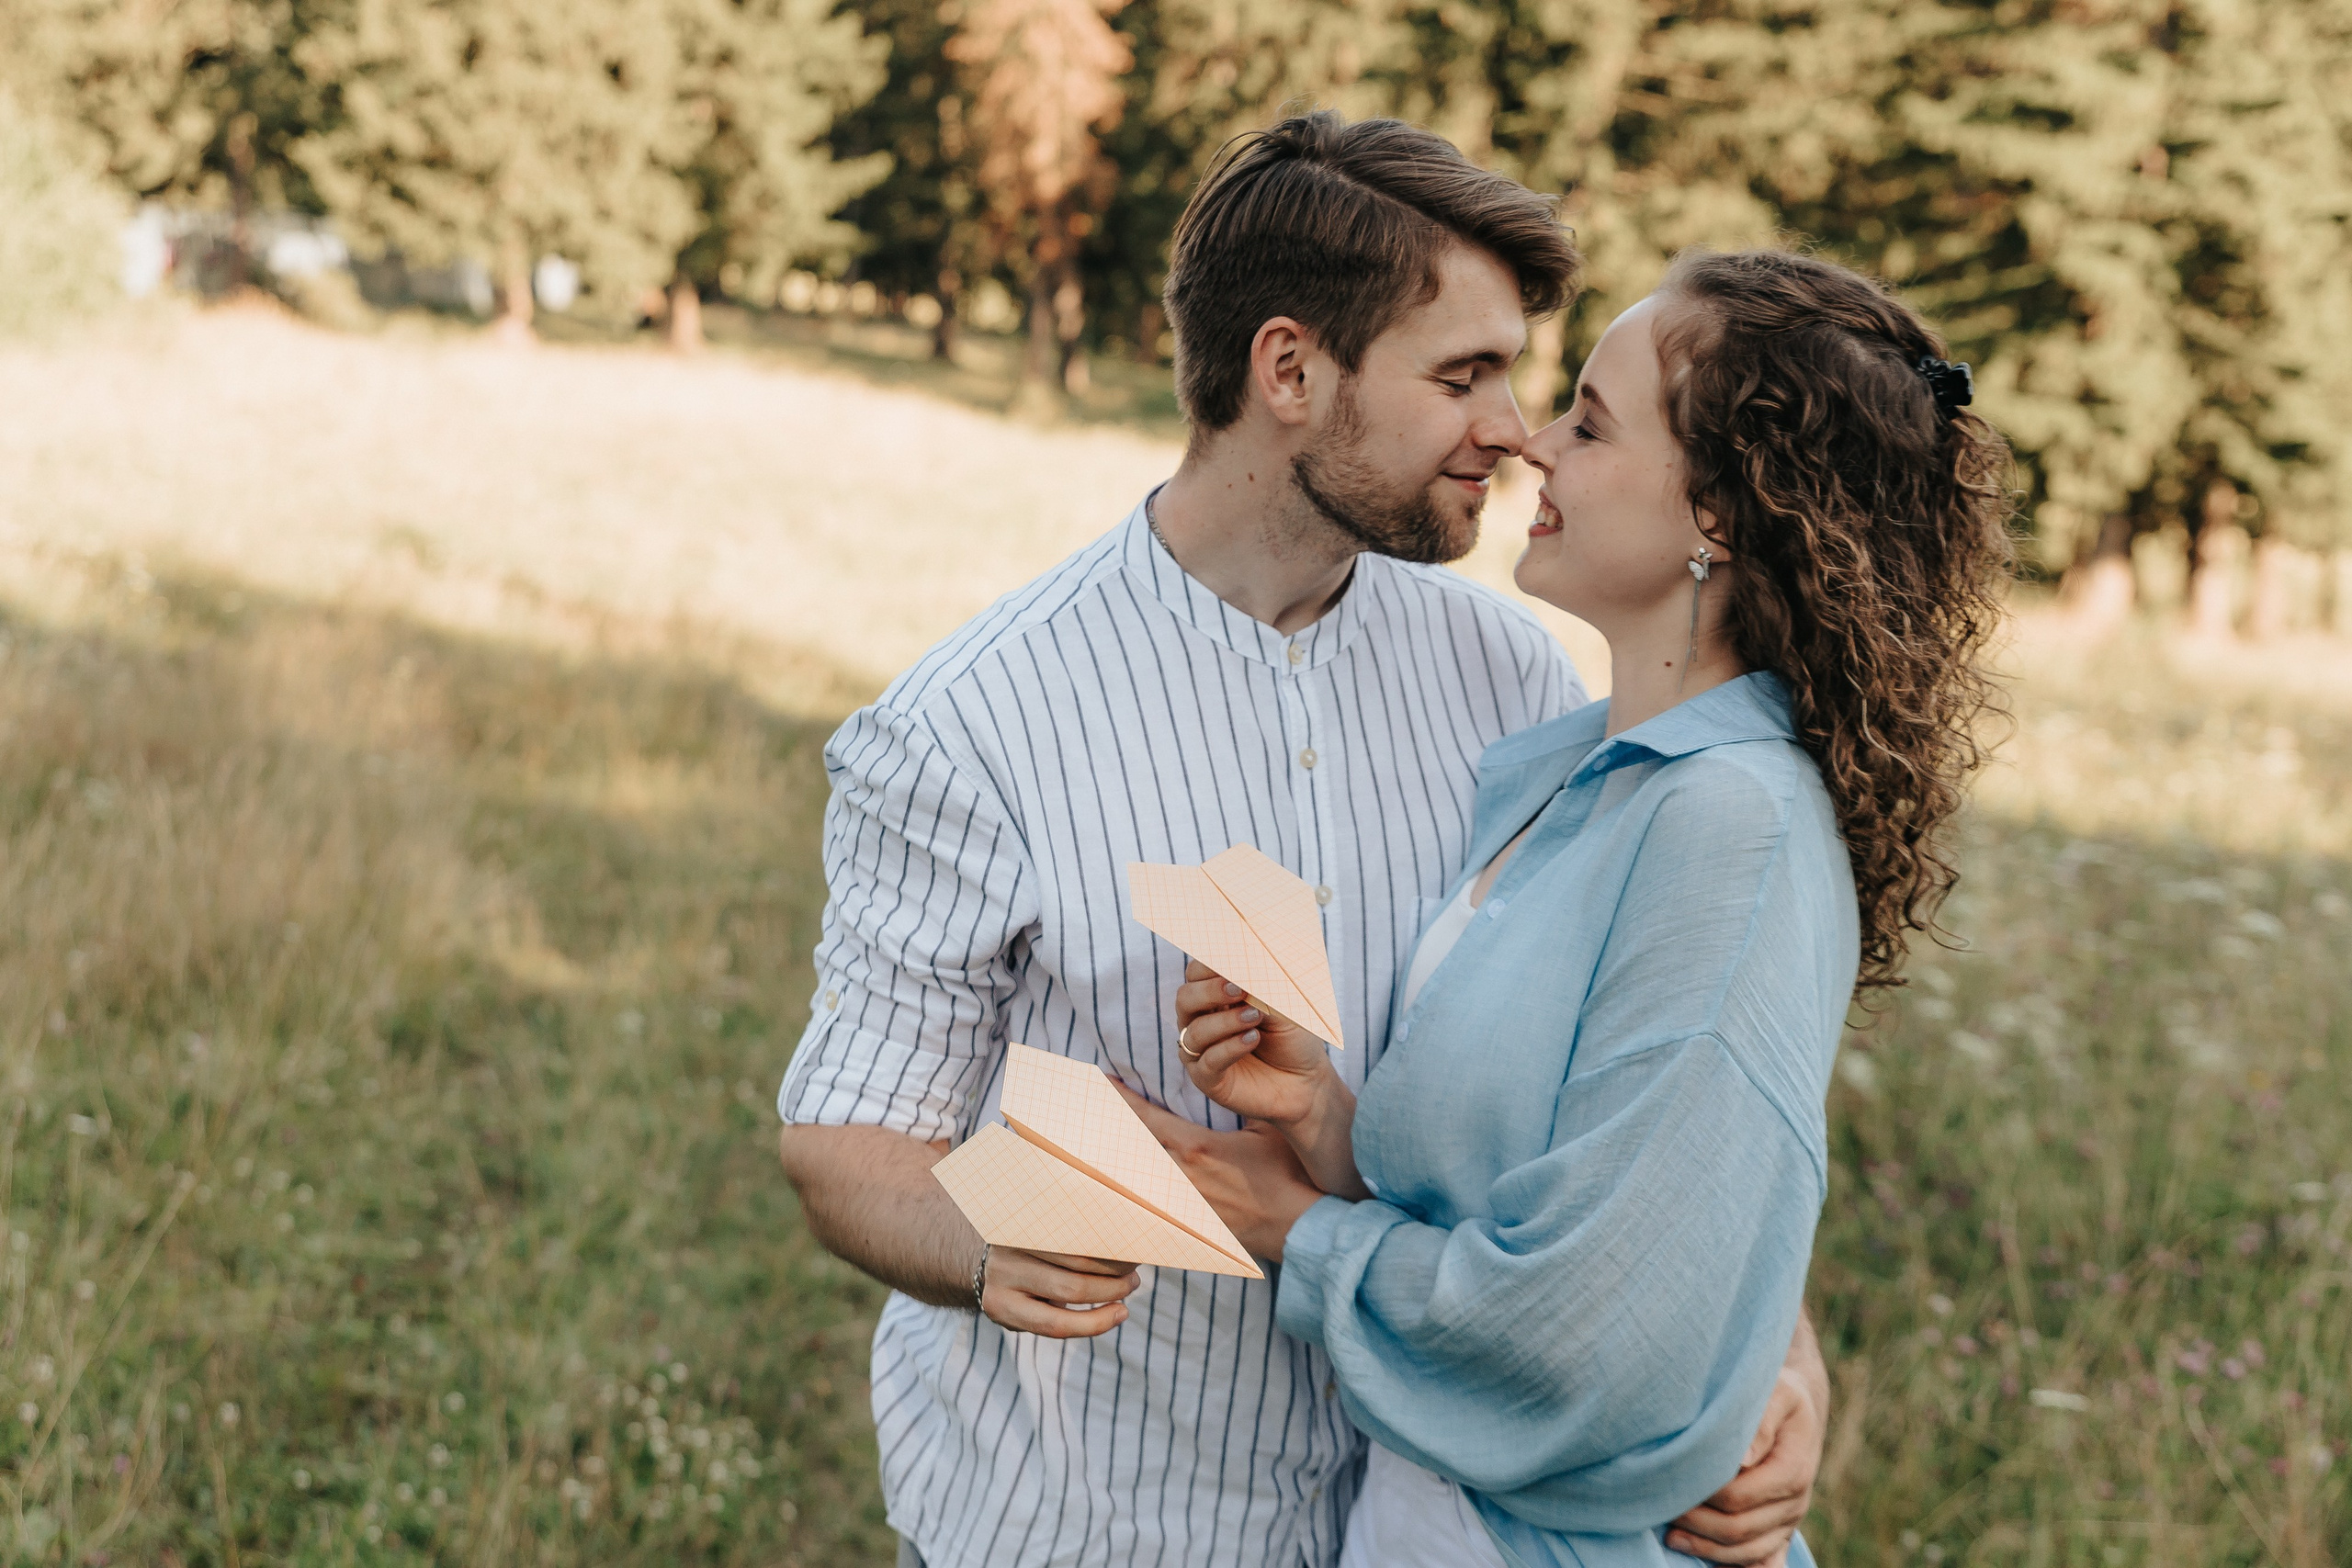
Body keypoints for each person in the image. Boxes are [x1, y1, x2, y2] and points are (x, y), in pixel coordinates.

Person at [775, 113, 1828, 1568]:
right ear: (1290, 371)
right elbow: (845, 1139)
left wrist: (1772, 1345)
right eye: (1464, 375)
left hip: (1440, 1520)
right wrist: (981, 1241)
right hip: (1096, 1531)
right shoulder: (970, 724)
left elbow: (1664, 1083)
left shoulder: (1520, 681)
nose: (1514, 428)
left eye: (1520, 378)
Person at [1134, 247, 2013, 1567]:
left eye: (1591, 424)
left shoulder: (1737, 829)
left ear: (1720, 506)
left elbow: (1594, 1334)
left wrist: (1290, 1228)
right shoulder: (1570, 778)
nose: (1534, 443)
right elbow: (1538, 1198)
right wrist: (1323, 1115)